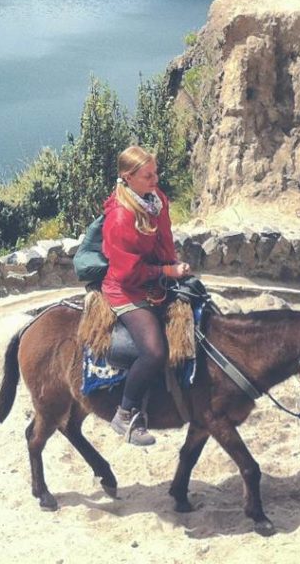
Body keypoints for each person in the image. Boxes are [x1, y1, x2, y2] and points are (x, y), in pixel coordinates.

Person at [101, 144, 191, 446]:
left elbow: (164, 242)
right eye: (148, 175)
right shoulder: (120, 218)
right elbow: (128, 273)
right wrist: (168, 273)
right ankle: (124, 413)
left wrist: (172, 265)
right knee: (154, 351)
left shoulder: (156, 200)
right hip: (127, 290)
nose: (155, 179)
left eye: (155, 172)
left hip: (156, 278)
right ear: (128, 177)